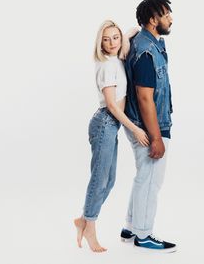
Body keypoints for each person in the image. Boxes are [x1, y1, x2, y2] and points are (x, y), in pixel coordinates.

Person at [74, 20, 149, 253]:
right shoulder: (107, 65)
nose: (112, 43)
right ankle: (89, 227)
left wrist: (122, 36)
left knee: (110, 180)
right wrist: (135, 129)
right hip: (105, 123)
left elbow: (135, 29)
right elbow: (113, 106)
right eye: (106, 39)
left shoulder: (116, 58)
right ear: (100, 43)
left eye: (115, 37)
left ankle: (83, 220)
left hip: (110, 126)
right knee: (99, 180)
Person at [120, 0, 177, 253]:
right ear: (153, 20)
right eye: (166, 15)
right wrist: (156, 137)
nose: (170, 19)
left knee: (144, 176)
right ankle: (143, 234)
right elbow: (145, 97)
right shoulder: (145, 50)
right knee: (151, 179)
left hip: (144, 123)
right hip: (149, 126)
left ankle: (131, 226)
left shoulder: (146, 42)